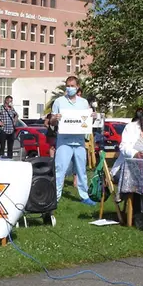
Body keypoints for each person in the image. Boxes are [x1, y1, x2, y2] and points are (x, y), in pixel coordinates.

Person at [50, 76, 97, 205]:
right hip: (64, 141)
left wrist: (93, 116)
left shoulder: (83, 102)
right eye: (68, 85)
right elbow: (51, 121)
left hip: (79, 141)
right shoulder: (59, 102)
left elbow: (87, 121)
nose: (69, 88)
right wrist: (56, 118)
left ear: (77, 87)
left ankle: (84, 196)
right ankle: (55, 196)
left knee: (81, 170)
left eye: (72, 86)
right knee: (60, 169)